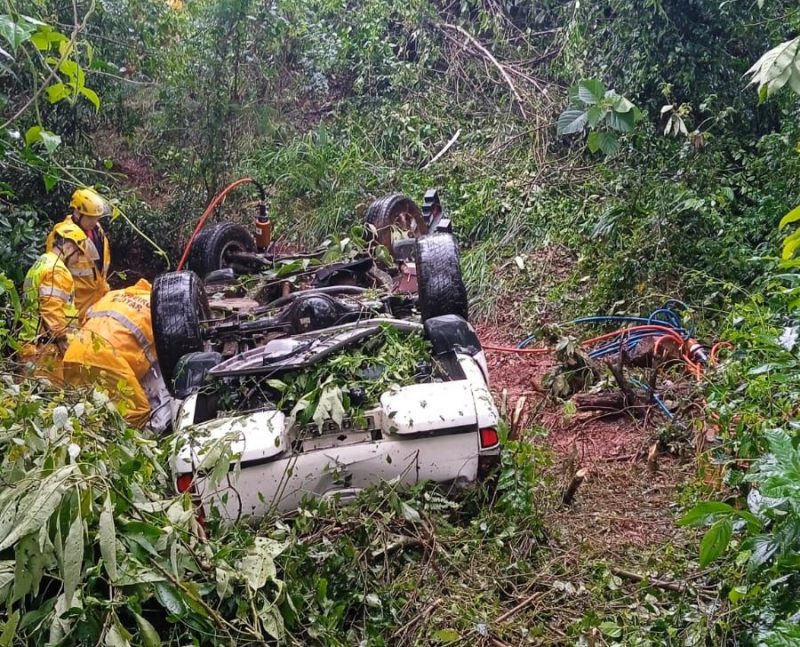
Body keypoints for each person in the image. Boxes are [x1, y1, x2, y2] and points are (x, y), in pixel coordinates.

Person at [62, 279, 172, 431]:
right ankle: (120, 448)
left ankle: (84, 440)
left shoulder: (113, 295)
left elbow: (86, 320)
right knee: (136, 411)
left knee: (79, 404)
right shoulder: (159, 308)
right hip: (107, 358)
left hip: (74, 353)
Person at [18, 221, 87, 380]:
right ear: (68, 247)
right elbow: (52, 312)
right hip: (45, 349)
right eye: (78, 253)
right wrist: (65, 343)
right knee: (48, 396)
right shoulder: (57, 270)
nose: (77, 260)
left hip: (30, 343)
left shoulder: (42, 261)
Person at [47, 187, 111, 319]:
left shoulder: (97, 232)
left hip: (96, 306)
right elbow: (53, 277)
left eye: (97, 217)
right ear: (77, 212)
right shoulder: (65, 236)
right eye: (90, 218)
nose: (94, 221)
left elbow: (99, 273)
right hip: (75, 311)